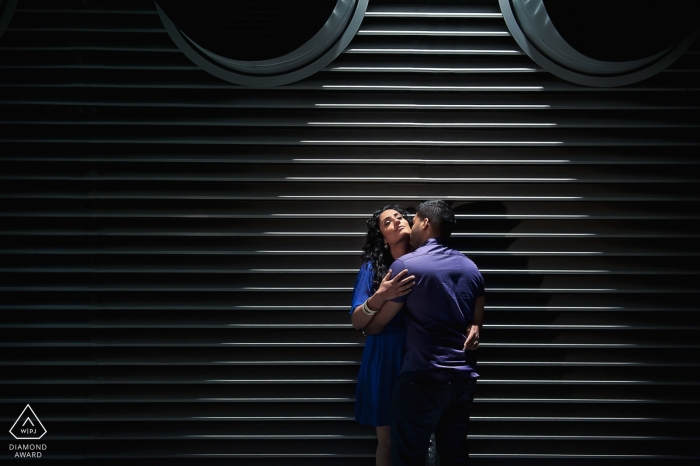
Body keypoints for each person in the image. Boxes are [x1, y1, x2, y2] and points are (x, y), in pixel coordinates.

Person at [377, 200, 485, 466]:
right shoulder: (471, 268)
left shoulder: (407, 265)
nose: (410, 226)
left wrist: (370, 313)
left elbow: (377, 323)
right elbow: (477, 316)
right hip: (461, 379)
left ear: (425, 223)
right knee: (454, 454)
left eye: (413, 221)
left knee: (408, 455)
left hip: (423, 375)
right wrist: (475, 326)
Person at [349, 205, 416, 466]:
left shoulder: (427, 261)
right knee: (387, 442)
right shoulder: (372, 269)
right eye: (388, 222)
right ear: (383, 238)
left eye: (400, 217)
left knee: (420, 439)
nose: (397, 221)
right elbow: (357, 321)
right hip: (384, 357)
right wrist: (381, 295)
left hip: (418, 353)